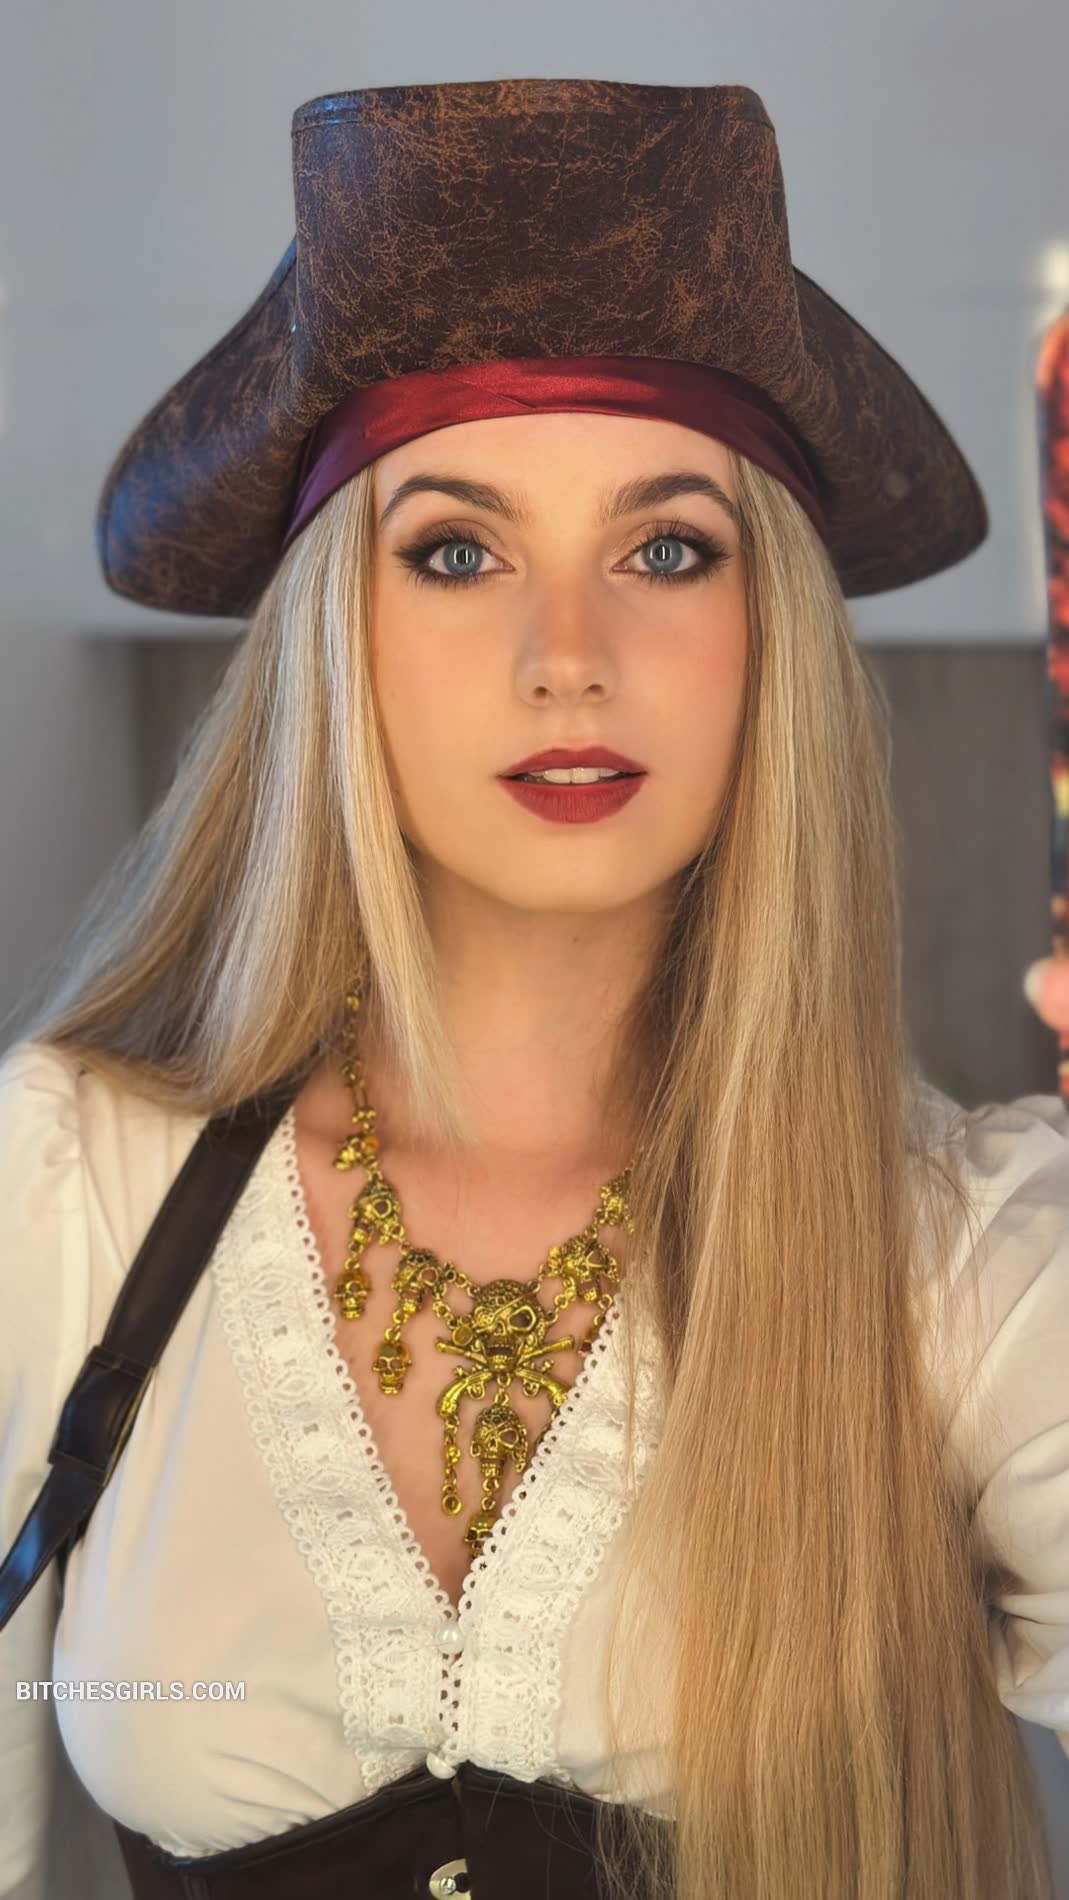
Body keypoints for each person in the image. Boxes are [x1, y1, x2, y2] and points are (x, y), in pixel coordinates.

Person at [1, 75, 1067, 1900]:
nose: (566, 655)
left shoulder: (969, 1269)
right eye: (454, 550)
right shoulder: (65, 1185)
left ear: (770, 638)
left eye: (665, 550)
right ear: (334, 637)